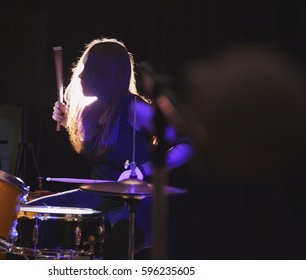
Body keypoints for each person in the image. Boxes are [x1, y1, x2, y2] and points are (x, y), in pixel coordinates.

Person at [34, 37, 193, 259]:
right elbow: (99, 147)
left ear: (104, 74)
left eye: (87, 69)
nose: (79, 76)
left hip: (137, 203)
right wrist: (67, 118)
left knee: (112, 250)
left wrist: (143, 170)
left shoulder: (135, 109)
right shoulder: (90, 111)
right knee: (29, 215)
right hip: (97, 198)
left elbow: (187, 144)